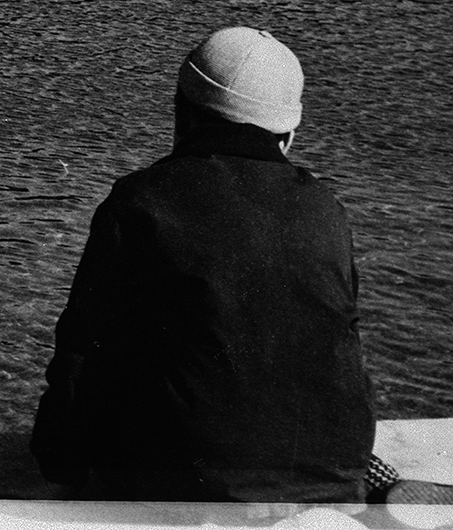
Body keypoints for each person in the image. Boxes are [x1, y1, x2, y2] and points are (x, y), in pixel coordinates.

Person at [30, 26, 376, 503]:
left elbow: (86, 354)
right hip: (337, 469)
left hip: (187, 477)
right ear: (289, 135)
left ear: (182, 114)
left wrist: (59, 457)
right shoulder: (326, 208)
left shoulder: (142, 201)